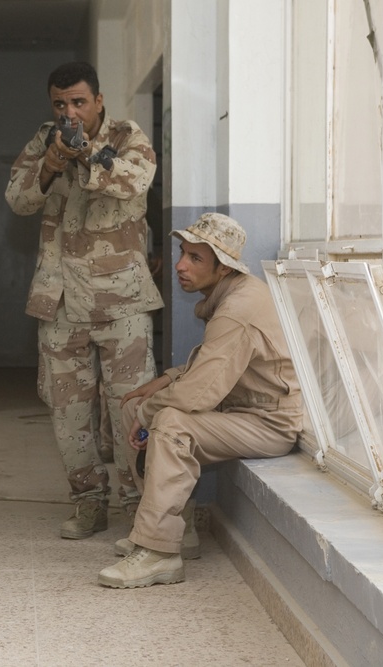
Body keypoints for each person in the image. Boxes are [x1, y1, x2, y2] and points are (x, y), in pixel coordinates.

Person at [97, 213, 303, 588]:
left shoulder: (239, 310)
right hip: (239, 406)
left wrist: (149, 411)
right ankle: (178, 528)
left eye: (195, 259)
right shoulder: (232, 293)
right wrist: (163, 381)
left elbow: (199, 393)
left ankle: (159, 554)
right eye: (182, 253)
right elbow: (214, 366)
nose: (179, 265)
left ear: (223, 269)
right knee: (134, 406)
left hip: (268, 421)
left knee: (169, 422)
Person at [4, 61, 162, 539]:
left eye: (78, 102)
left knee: (129, 409)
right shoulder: (43, 141)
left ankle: (137, 506)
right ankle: (88, 501)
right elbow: (18, 199)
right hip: (59, 302)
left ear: (98, 100)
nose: (69, 111)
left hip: (123, 302)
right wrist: (50, 165)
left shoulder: (127, 136)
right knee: (68, 412)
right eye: (60, 103)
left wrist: (86, 153)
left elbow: (134, 181)